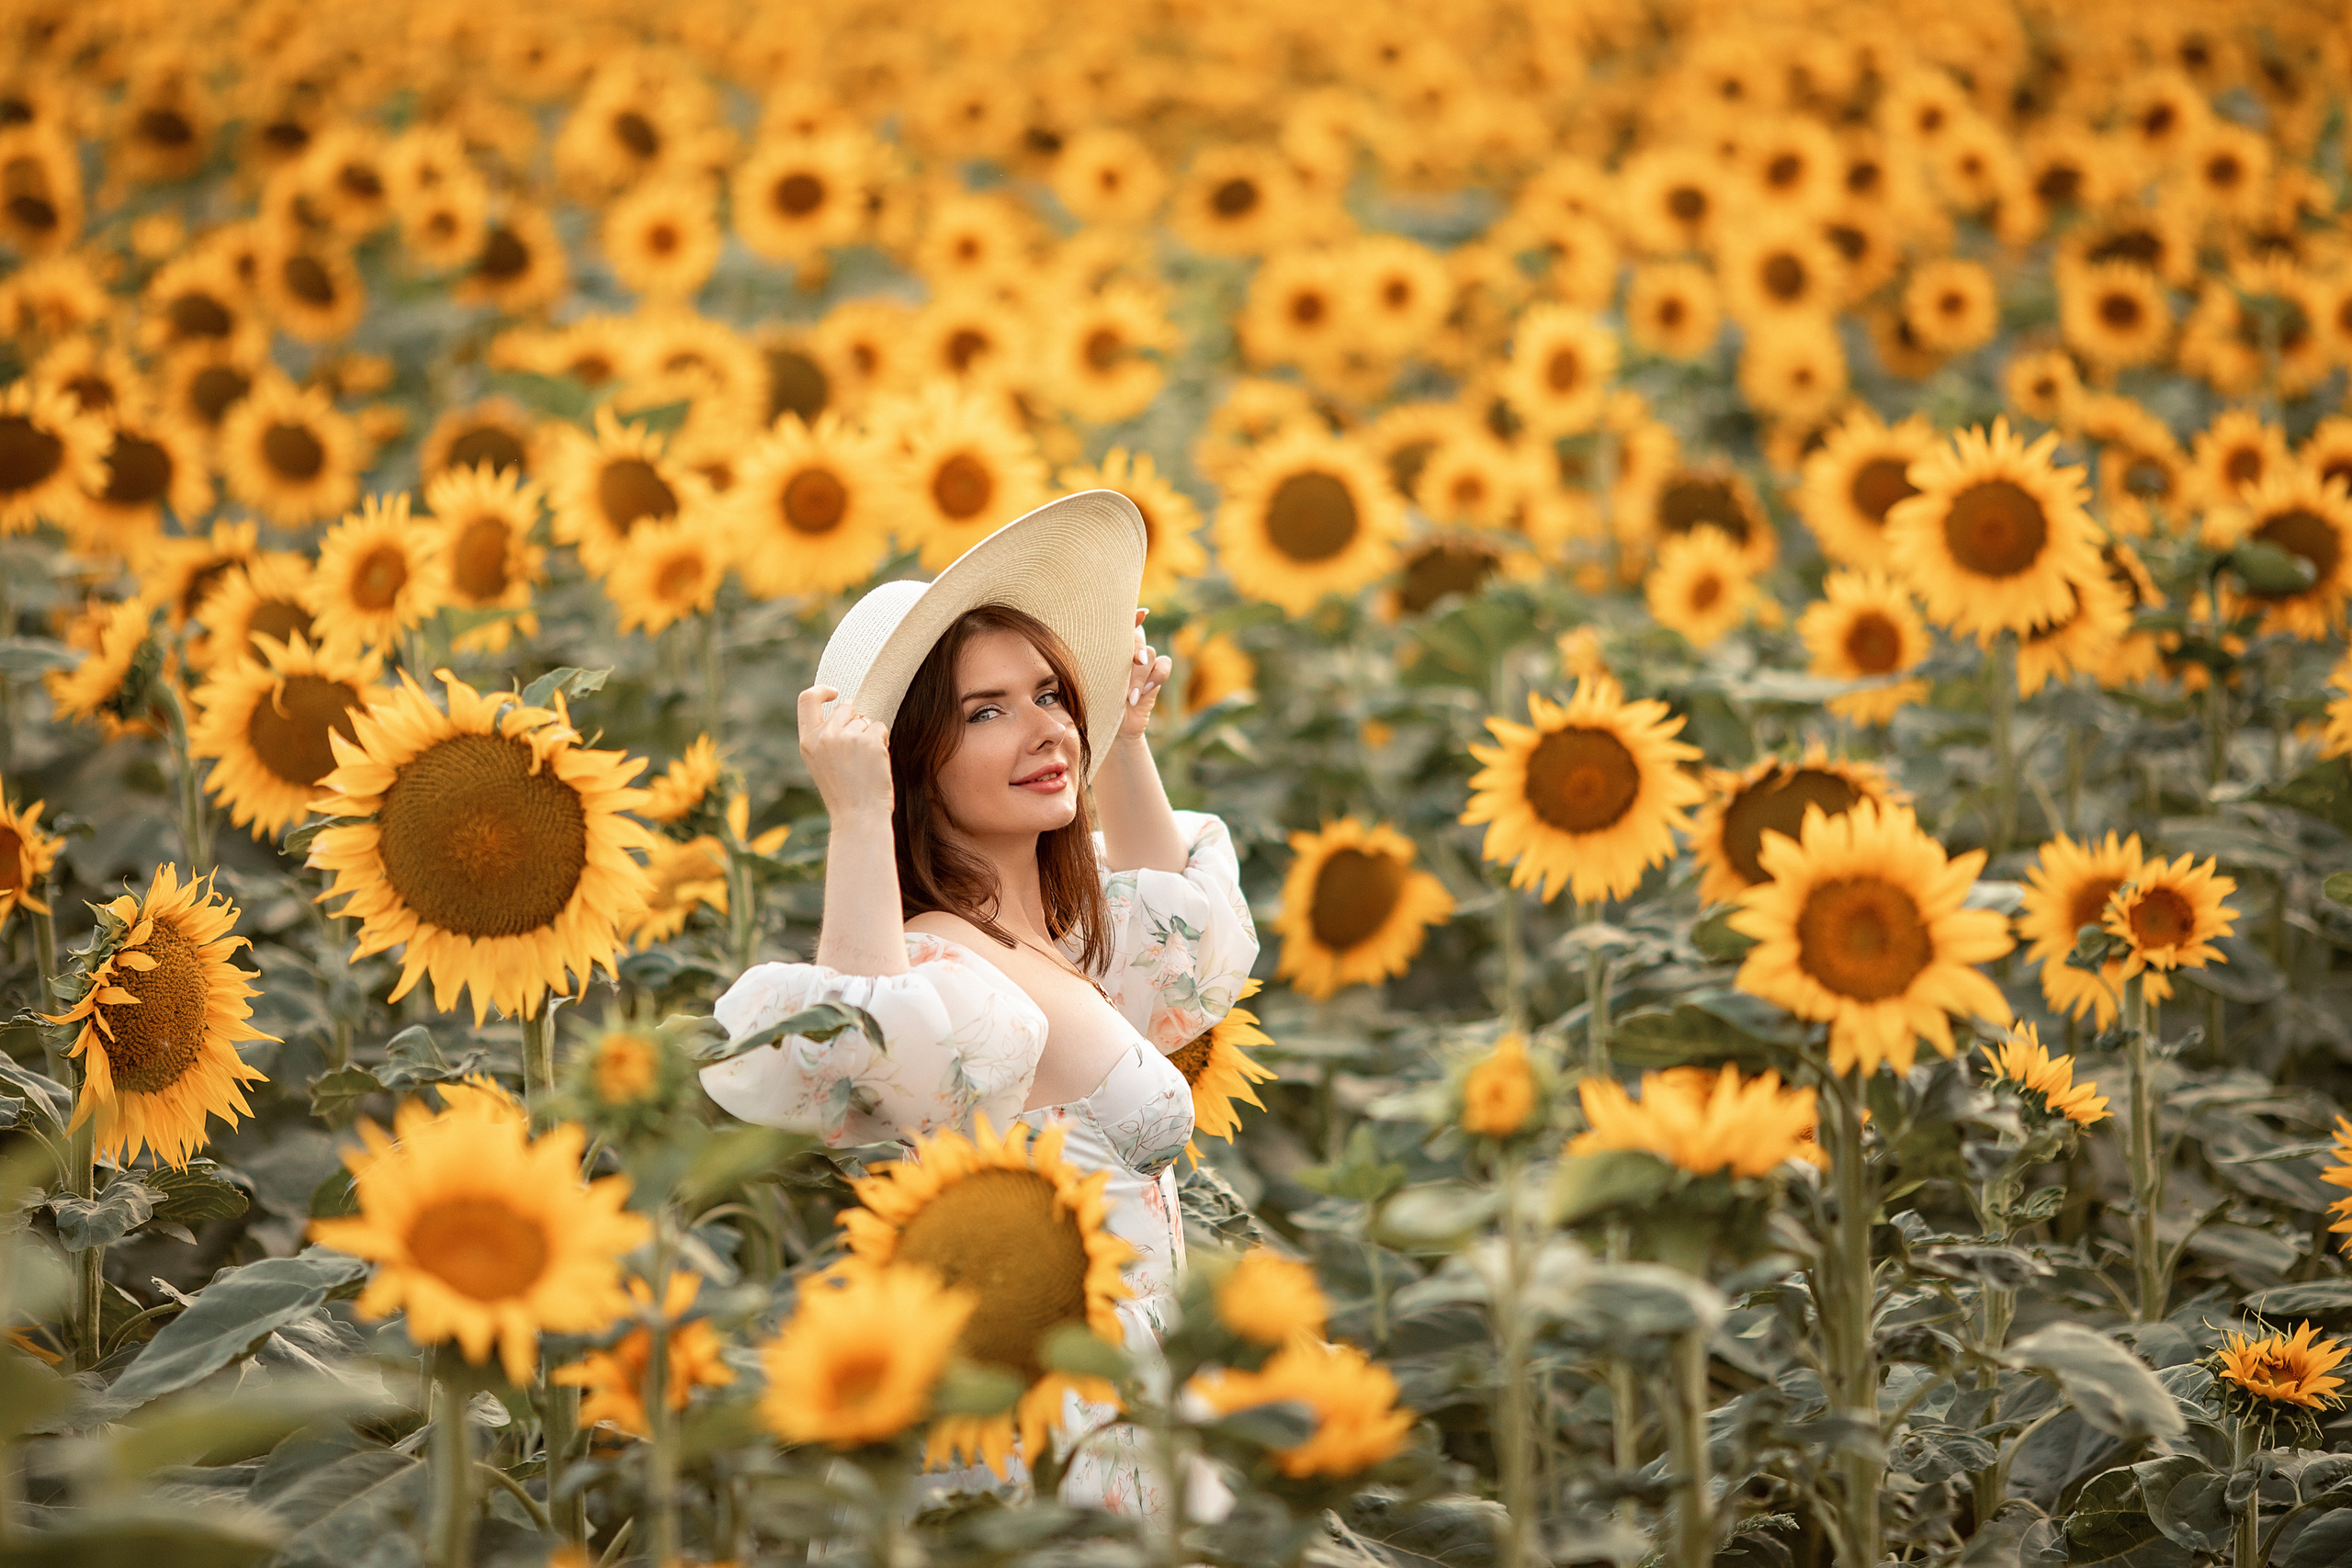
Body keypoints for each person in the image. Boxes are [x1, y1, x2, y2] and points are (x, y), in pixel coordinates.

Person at [700, 491, 1259, 1521]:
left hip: (1135, 1407)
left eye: (1050, 693)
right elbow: (855, 1053)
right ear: (914, 760)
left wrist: (1126, 737)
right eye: (985, 711)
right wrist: (858, 816)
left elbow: (1188, 959)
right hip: (1036, 1441)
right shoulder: (936, 962)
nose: (1047, 729)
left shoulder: (1058, 929)